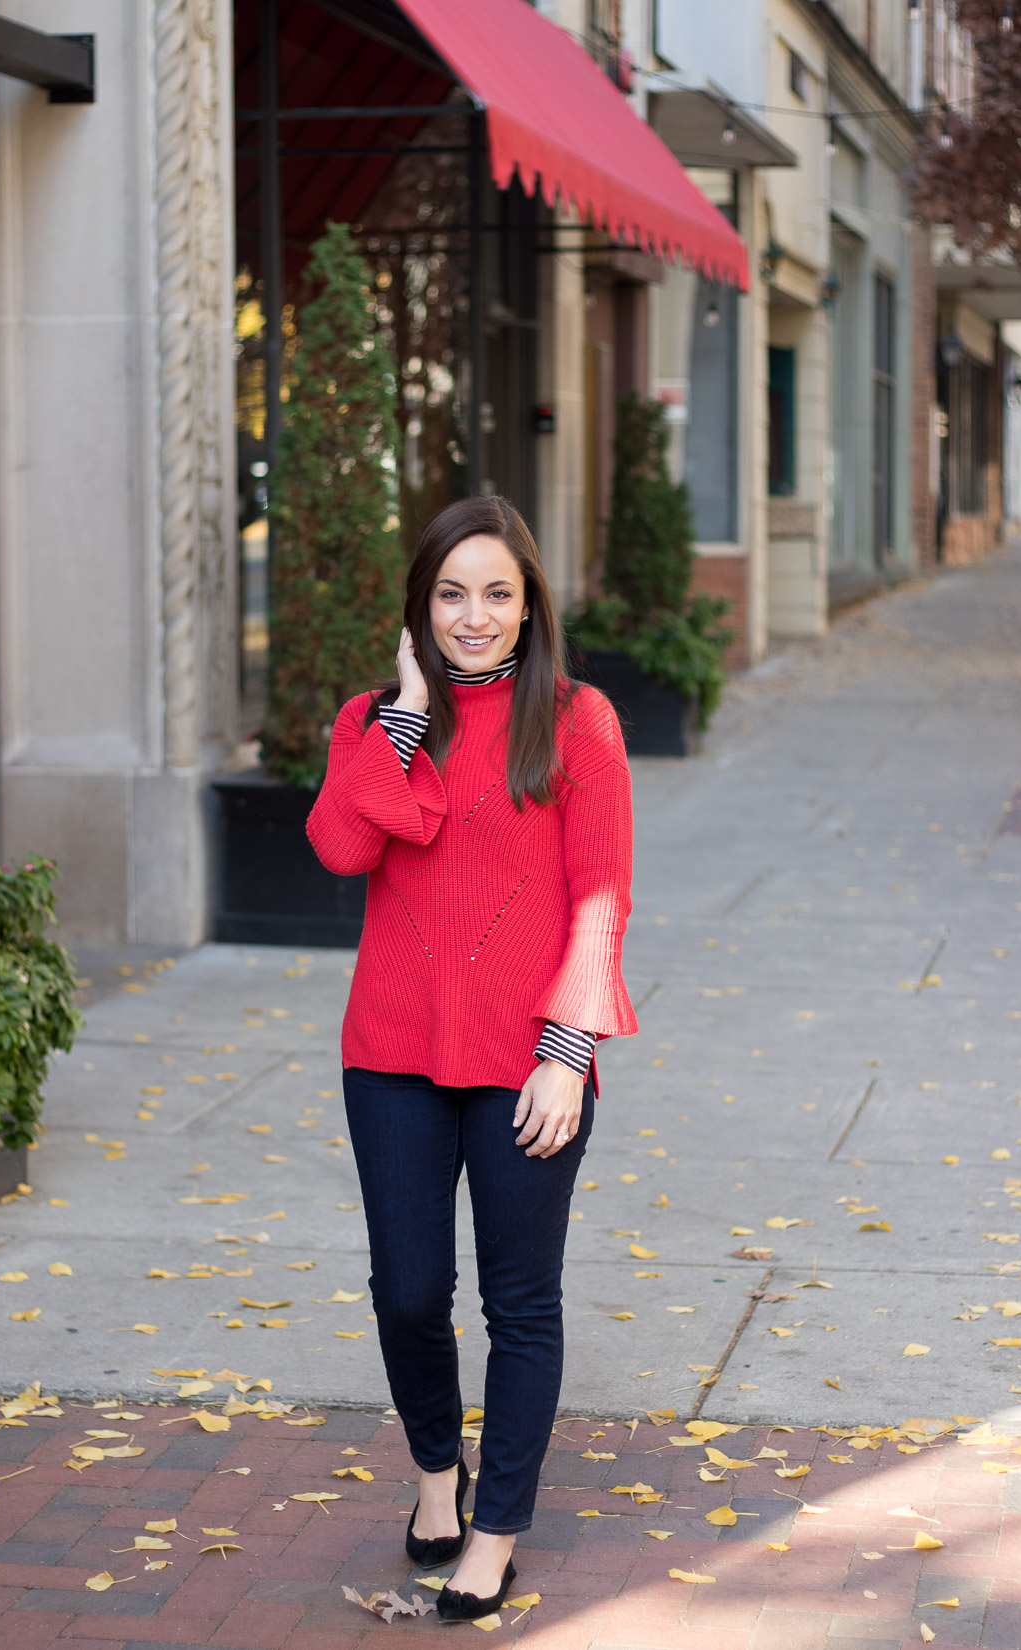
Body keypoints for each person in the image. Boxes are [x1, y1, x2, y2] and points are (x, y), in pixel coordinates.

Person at [307, 494, 637, 1623]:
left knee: (519, 1303)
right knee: (406, 1294)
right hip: (391, 1052)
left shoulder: (576, 719)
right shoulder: (375, 719)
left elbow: (600, 897)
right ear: (421, 608)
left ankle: (493, 1536)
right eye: (452, 593)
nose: (475, 615)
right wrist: (405, 711)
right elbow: (341, 844)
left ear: (528, 603)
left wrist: (565, 1051)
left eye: (498, 592)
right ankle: (434, 1484)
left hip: (524, 1060)